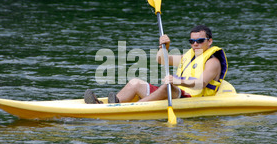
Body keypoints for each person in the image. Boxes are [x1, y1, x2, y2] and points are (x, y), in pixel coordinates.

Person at [84, 25, 227, 104]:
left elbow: (201, 83)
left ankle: (135, 107)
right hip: (178, 94)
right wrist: (164, 47)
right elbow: (161, 60)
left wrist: (176, 80)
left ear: (210, 41)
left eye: (200, 40)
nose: (195, 44)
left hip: (193, 99)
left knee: (168, 87)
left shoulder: (212, 61)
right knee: (135, 83)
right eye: (192, 41)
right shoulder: (189, 56)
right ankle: (110, 105)